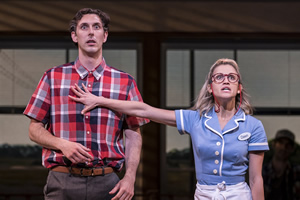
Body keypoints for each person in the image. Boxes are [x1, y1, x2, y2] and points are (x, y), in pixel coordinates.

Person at [69, 58, 269, 200]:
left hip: (239, 194)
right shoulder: (195, 119)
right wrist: (99, 100)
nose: (226, 80)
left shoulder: (253, 126)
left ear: (239, 87)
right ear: (210, 87)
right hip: (205, 193)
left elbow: (255, 178)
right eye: (219, 77)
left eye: (232, 77)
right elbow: (144, 109)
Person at [23, 8, 149, 200]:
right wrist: (61, 144)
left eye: (96, 27)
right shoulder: (52, 77)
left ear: (105, 35)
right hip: (62, 181)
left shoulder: (125, 82)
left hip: (108, 183)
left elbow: (133, 133)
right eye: (84, 27)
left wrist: (130, 178)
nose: (91, 32)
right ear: (74, 36)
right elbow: (34, 129)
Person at [262, 129, 300, 200]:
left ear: (292, 148)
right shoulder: (262, 171)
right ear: (274, 144)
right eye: (280, 143)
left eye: (288, 145)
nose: (283, 148)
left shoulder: (297, 171)